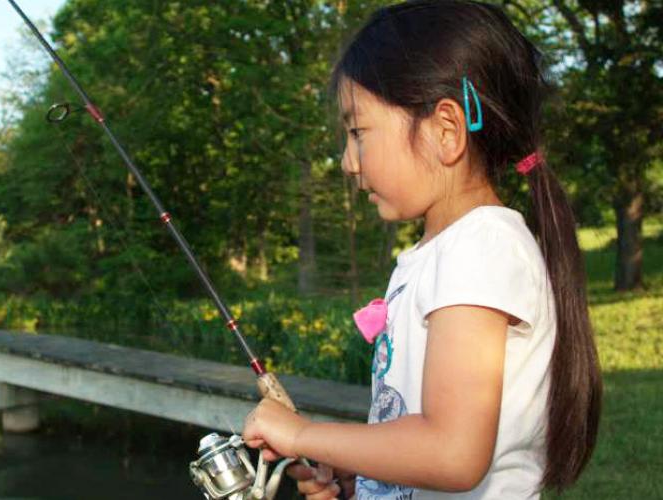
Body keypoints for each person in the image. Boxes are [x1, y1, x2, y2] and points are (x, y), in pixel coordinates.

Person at [241, 1, 603, 498]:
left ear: (445, 131)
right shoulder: (445, 252)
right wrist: (363, 479)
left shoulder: (480, 248)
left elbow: (453, 453)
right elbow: (426, 443)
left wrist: (304, 434)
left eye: (356, 132)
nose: (348, 162)